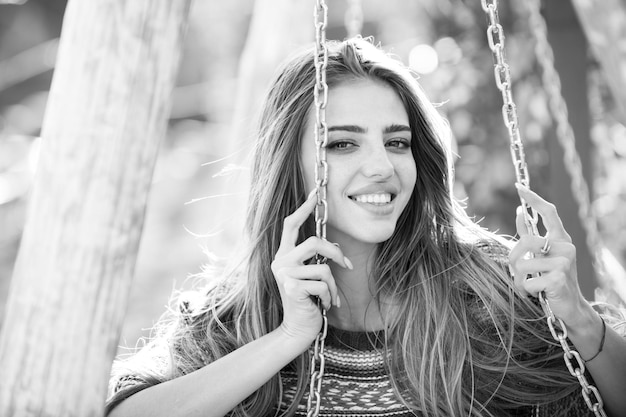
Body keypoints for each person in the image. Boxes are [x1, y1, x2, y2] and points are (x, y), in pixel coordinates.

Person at [105, 37, 626, 417]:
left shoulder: (494, 289)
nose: (382, 167)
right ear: (293, 164)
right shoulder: (236, 321)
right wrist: (288, 338)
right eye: (343, 143)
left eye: (397, 142)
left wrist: (578, 318)